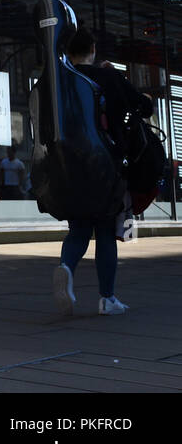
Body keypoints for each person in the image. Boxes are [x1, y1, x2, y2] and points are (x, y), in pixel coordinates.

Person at [52, 28, 148, 316]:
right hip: (106, 164)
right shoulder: (108, 76)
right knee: (105, 229)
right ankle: (107, 298)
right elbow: (145, 107)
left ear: (67, 52)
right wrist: (118, 79)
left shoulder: (61, 81)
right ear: (93, 49)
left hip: (69, 165)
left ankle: (66, 268)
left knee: (79, 228)